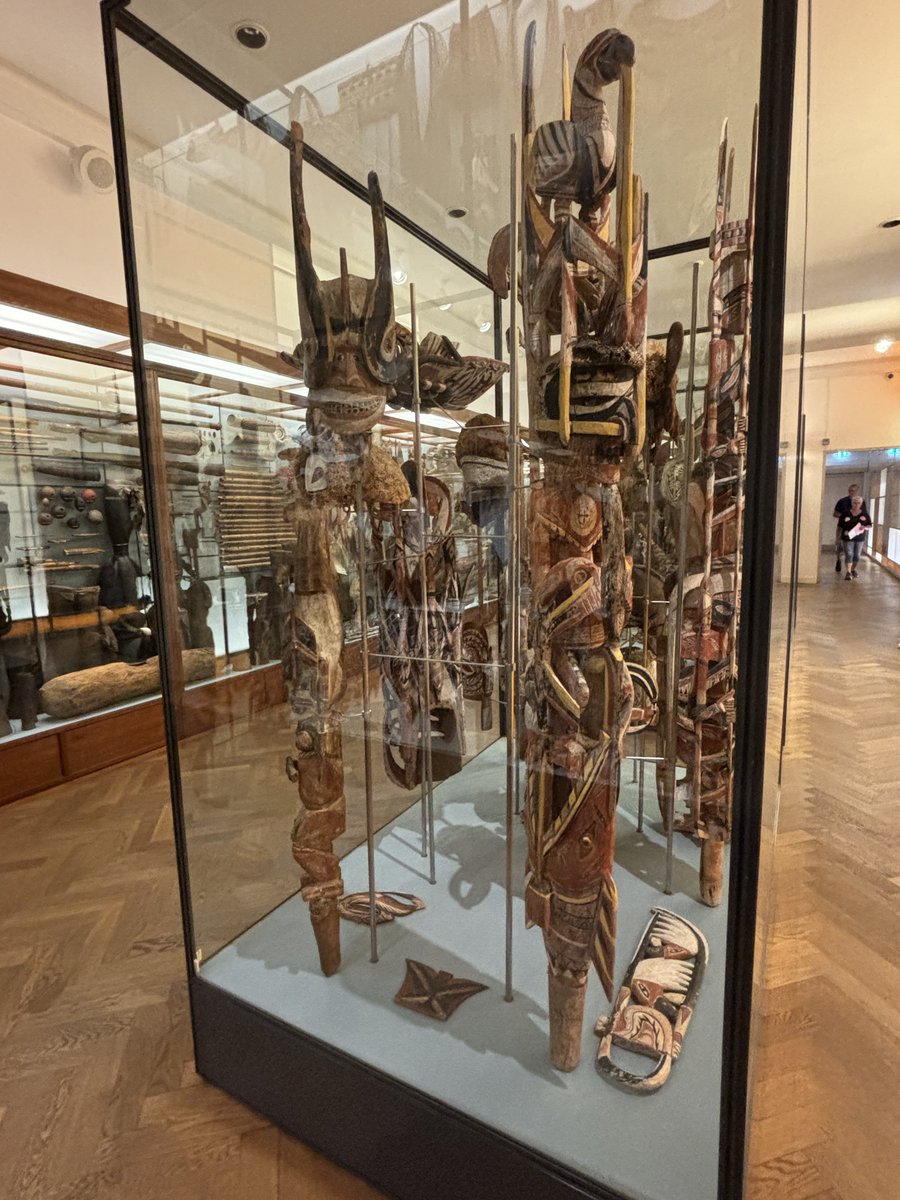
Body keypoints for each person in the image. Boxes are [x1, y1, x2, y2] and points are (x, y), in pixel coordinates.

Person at [832, 484, 869, 572]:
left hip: (856, 529)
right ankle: (838, 560)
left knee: (855, 551)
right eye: (850, 490)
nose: (851, 492)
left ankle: (851, 570)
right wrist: (844, 516)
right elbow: (835, 513)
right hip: (843, 527)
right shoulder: (842, 501)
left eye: (853, 491)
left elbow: (864, 515)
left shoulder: (862, 502)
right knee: (839, 544)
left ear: (857, 491)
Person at [837, 494, 872, 580]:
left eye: (858, 503)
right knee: (849, 554)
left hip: (859, 538)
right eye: (854, 503)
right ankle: (848, 572)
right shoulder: (845, 513)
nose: (856, 504)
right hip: (847, 537)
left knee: (857, 555)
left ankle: (853, 570)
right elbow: (839, 526)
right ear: (851, 503)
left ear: (861, 504)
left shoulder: (864, 514)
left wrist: (864, 527)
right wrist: (837, 538)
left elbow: (870, 525)